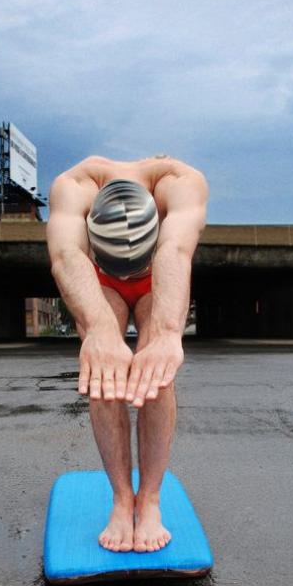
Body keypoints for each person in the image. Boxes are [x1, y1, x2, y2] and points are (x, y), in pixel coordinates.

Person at [46, 155, 209, 554]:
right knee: (104, 371)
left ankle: (150, 500)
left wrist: (169, 335)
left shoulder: (181, 183)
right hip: (96, 280)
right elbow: (66, 257)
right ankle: (122, 500)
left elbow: (175, 251)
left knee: (157, 368)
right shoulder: (73, 186)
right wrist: (100, 331)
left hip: (161, 273)